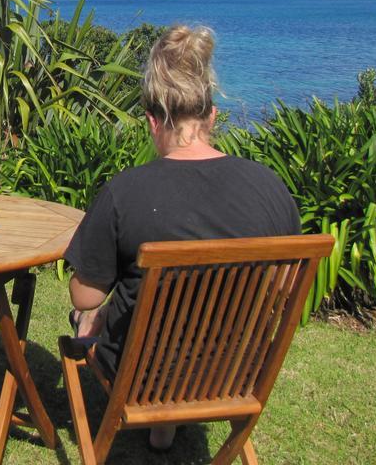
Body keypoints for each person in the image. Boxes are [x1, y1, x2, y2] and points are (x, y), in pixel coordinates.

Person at [64, 24, 301, 452]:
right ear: (211, 115)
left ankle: (155, 418)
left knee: (87, 318)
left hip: (144, 376)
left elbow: (84, 296)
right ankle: (164, 431)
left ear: (153, 121)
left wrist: (91, 312)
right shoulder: (269, 187)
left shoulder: (127, 191)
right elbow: (284, 286)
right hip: (234, 375)